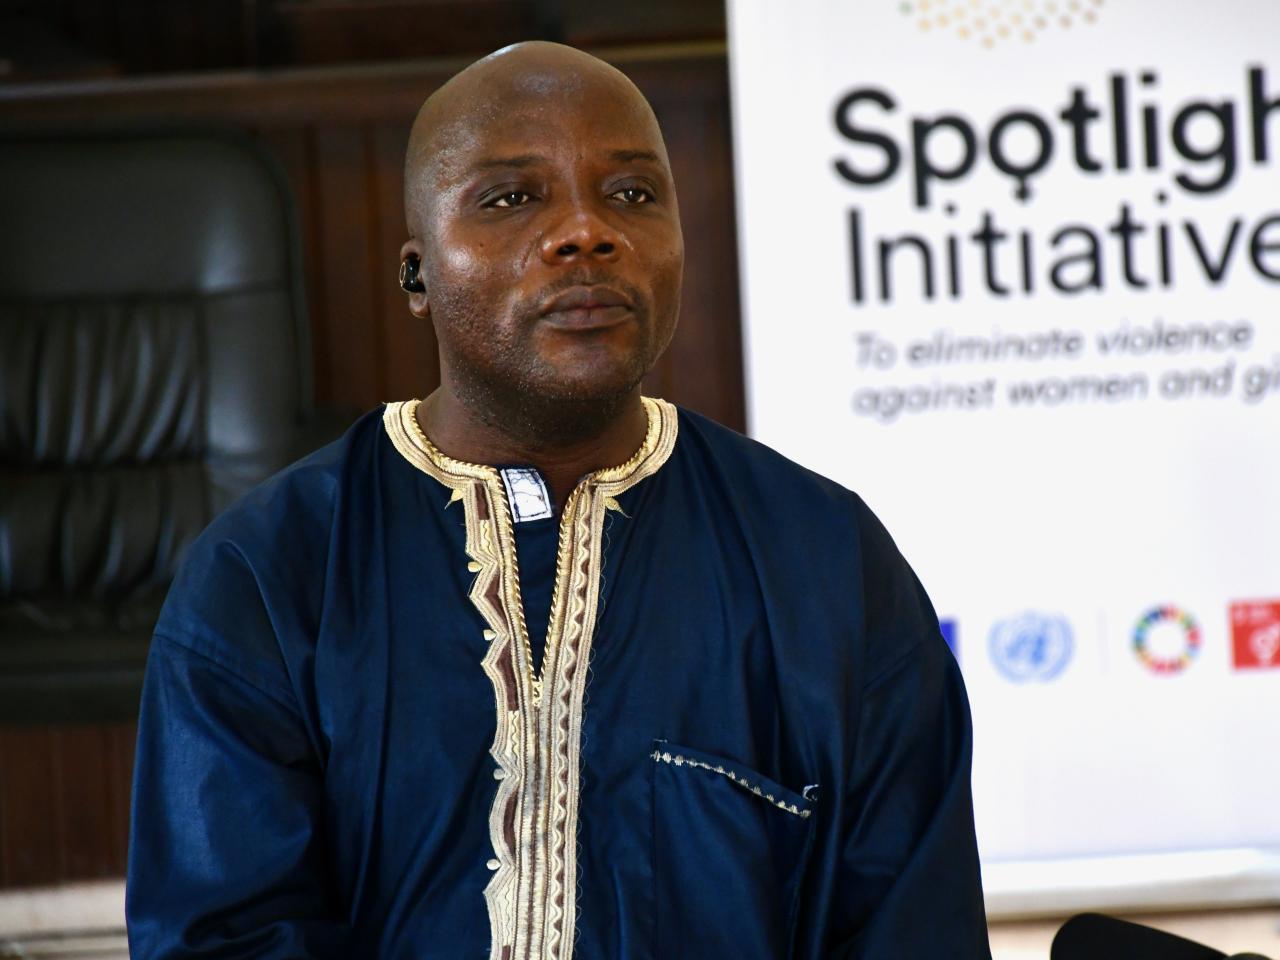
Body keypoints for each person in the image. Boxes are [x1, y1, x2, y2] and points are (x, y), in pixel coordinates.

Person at [126, 41, 991, 960]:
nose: (587, 232)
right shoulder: (267, 576)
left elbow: (914, 929)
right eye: (511, 198)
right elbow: (221, 941)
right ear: (418, 274)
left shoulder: (826, 562)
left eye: (631, 195)